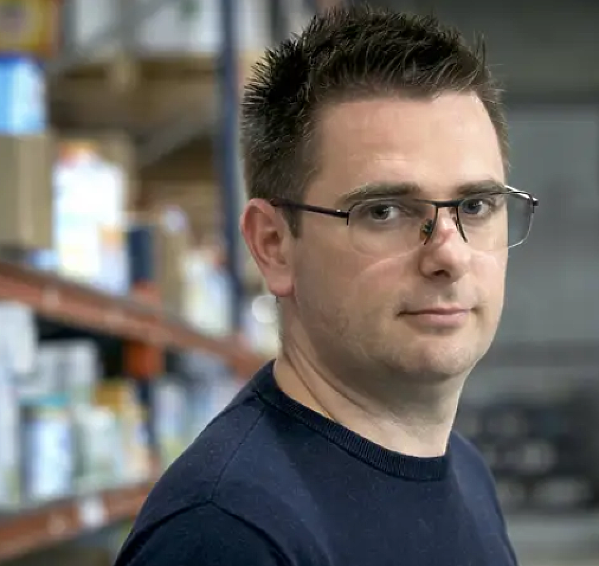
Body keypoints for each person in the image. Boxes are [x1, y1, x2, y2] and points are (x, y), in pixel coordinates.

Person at [114, 4, 538, 566]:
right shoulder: (226, 535)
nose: (450, 256)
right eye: (384, 211)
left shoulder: (465, 472)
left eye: (477, 206)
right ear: (273, 245)